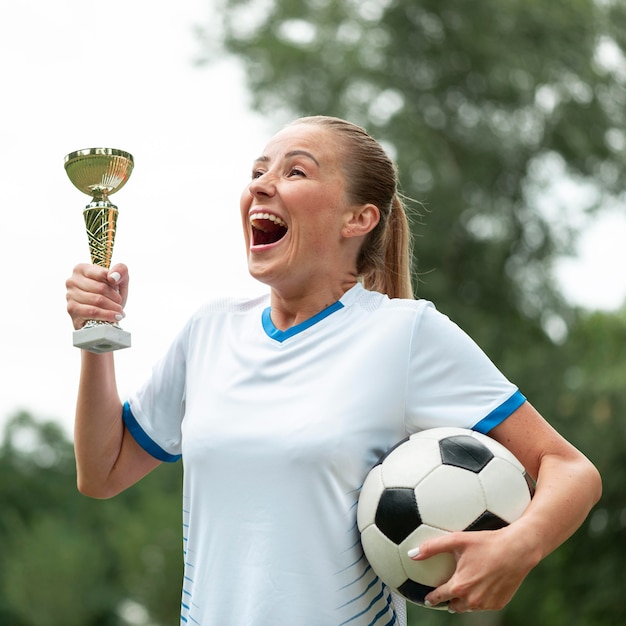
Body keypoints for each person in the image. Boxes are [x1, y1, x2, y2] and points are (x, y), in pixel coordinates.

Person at [66, 115, 602, 625]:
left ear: (359, 218)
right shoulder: (209, 331)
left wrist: (518, 545)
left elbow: (569, 468)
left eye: (294, 171)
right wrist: (96, 336)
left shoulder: (405, 334)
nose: (263, 185)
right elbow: (102, 471)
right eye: (258, 172)